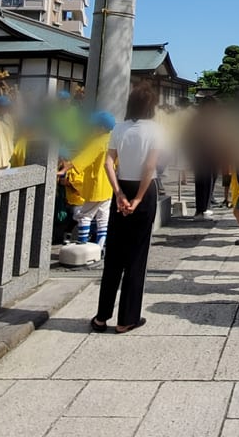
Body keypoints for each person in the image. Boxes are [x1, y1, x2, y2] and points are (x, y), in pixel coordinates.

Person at [92, 84, 164, 334]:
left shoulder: (119, 128)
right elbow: (150, 166)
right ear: (151, 107)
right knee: (136, 256)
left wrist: (119, 193)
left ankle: (101, 316)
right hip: (144, 191)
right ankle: (127, 318)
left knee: (114, 254)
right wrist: (138, 198)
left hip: (121, 187)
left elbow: (108, 162)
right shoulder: (155, 130)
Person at [64, 111, 116, 247]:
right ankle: (100, 246)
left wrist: (64, 169)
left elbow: (82, 159)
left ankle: (82, 243)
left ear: (102, 128)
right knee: (103, 217)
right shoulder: (113, 140)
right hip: (108, 185)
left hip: (96, 186)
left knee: (85, 215)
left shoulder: (98, 142)